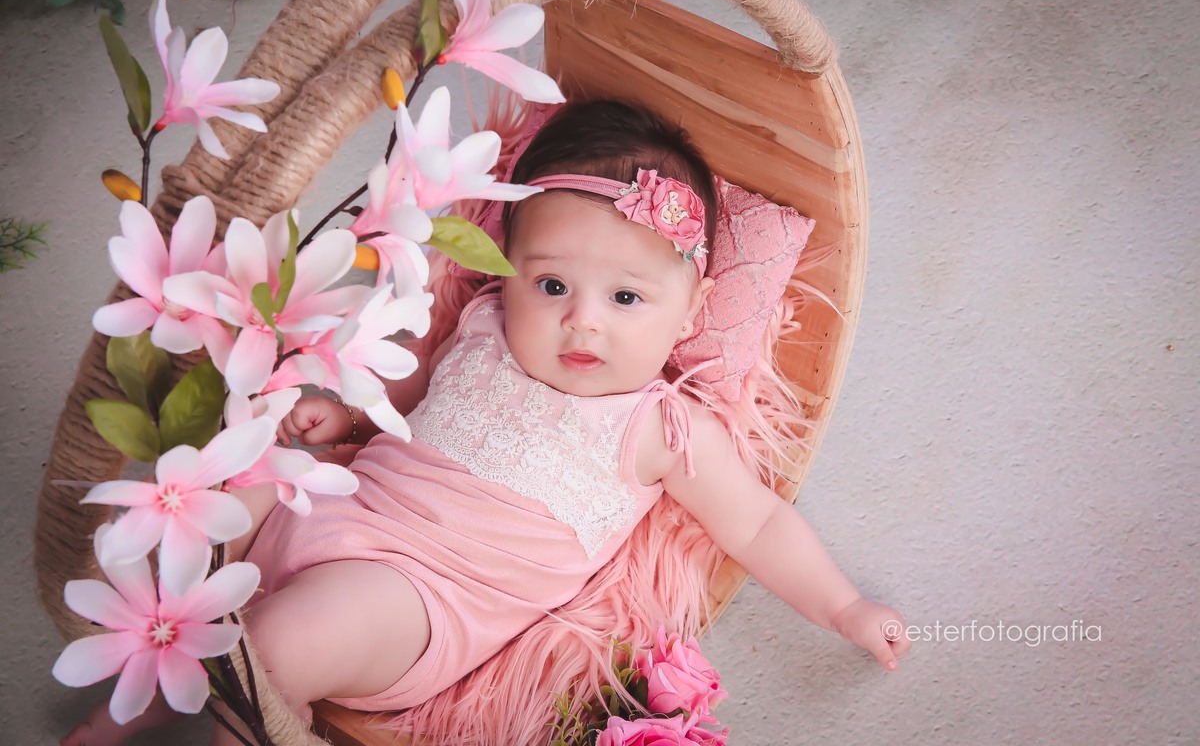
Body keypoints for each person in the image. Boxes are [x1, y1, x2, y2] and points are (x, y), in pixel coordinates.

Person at [64, 100, 909, 746]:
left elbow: (758, 522)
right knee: (215, 491)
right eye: (551, 286)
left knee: (278, 642)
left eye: (626, 298)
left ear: (692, 314)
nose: (584, 323)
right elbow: (402, 392)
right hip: (342, 504)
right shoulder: (481, 326)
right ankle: (122, 704)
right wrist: (338, 412)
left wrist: (843, 608)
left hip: (422, 601)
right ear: (507, 274)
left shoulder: (664, 430)